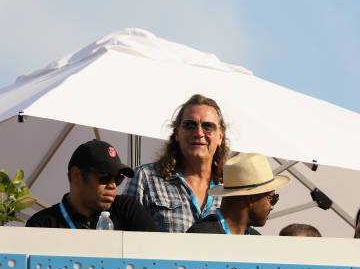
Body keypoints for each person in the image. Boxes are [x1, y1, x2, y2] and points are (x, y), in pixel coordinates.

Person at [125, 94, 230, 232]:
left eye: (208, 126)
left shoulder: (231, 188)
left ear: (220, 136)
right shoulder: (146, 178)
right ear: (177, 133)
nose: (198, 133)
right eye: (189, 125)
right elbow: (123, 237)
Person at [26, 140, 157, 231]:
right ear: (77, 175)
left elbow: (158, 257)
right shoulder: (42, 224)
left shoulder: (127, 209)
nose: (112, 185)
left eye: (118, 178)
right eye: (105, 176)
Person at [187, 153, 289, 235]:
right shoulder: (200, 236)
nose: (272, 207)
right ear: (252, 198)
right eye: (272, 198)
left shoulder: (256, 240)